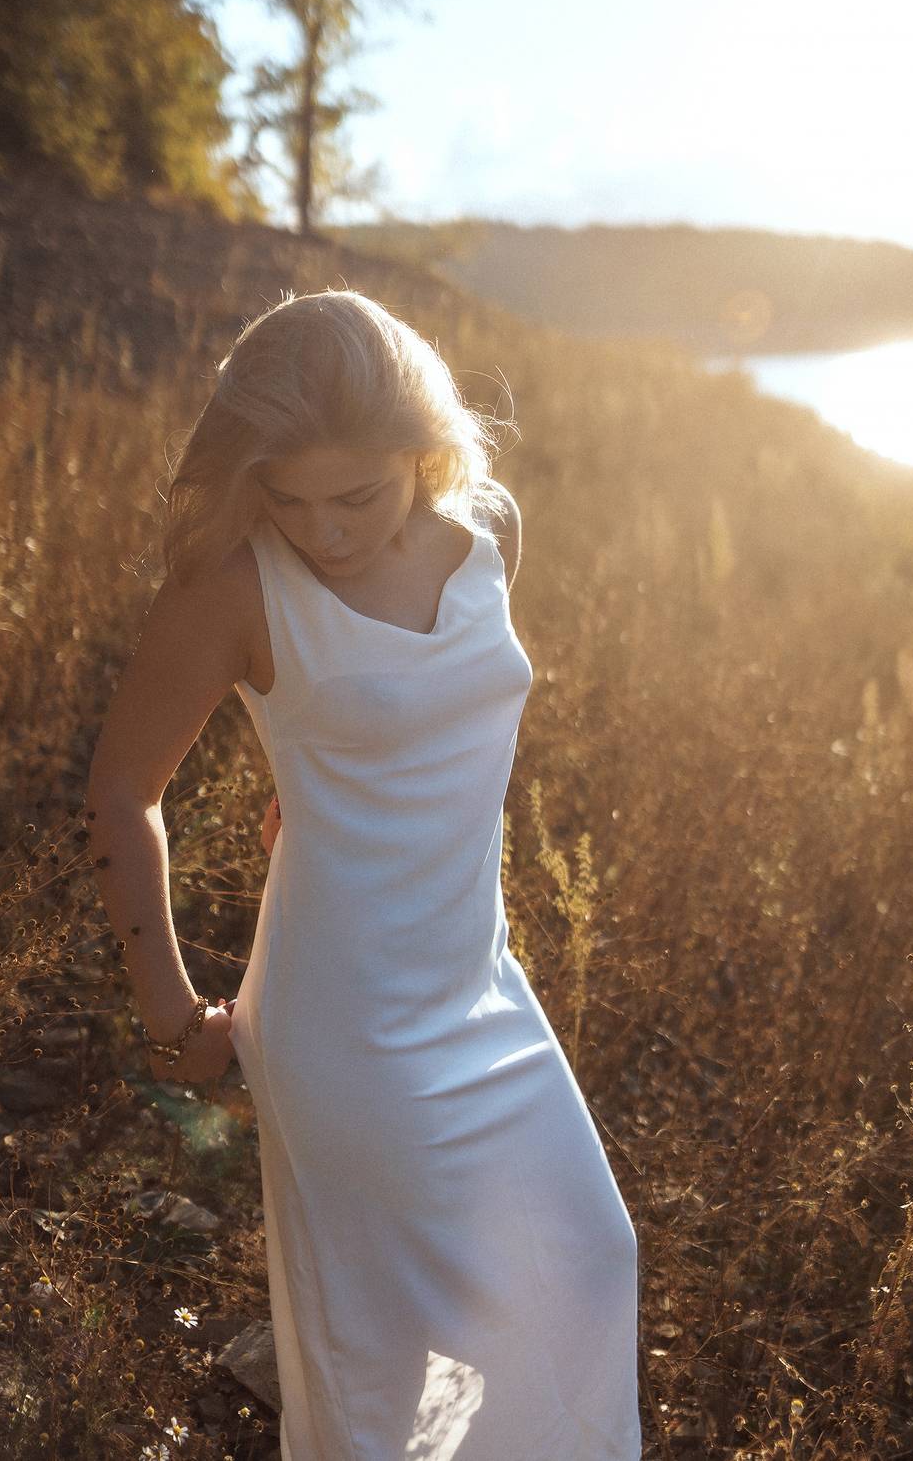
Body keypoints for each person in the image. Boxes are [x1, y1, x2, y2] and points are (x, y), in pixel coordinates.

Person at [86, 289, 643, 1459]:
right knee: (392, 1360)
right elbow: (122, 789)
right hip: (346, 1027)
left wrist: (349, 791)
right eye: (286, 497)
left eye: (357, 496)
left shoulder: (487, 538)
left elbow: (438, 731)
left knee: (588, 1266)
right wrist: (168, 1012)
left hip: (481, 989)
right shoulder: (237, 587)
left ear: (427, 456)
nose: (324, 531)